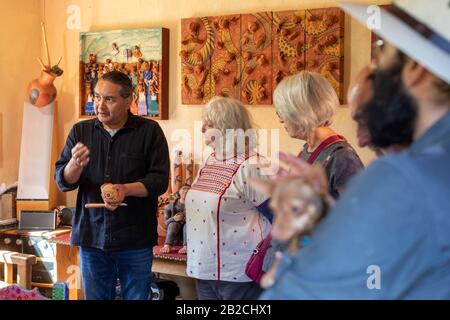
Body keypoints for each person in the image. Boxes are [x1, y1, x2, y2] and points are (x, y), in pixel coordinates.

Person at [261, 0, 450, 299]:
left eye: (378, 60)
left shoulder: (405, 176)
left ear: (416, 68)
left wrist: (298, 246)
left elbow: (295, 292)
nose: (367, 72)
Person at [54, 71, 170, 300]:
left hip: (134, 237)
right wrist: (75, 165)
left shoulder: (149, 131)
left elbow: (159, 180)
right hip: (92, 237)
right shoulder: (81, 131)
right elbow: (62, 181)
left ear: (129, 100)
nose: (100, 105)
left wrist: (125, 189)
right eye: (97, 97)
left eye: (109, 99)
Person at [185, 96, 271, 300]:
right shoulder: (211, 160)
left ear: (227, 128)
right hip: (203, 270)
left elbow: (280, 217)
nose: (202, 129)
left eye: (210, 123)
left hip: (239, 274)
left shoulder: (253, 165)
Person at [274, 71, 364, 199]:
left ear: (300, 113)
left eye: (282, 113)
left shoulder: (342, 158)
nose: (281, 120)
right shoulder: (308, 148)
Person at [161, 184, 190, 254]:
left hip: (188, 232)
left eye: (188, 189)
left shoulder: (194, 206)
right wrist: (173, 218)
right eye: (183, 189)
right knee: (173, 224)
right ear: (179, 192)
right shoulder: (170, 206)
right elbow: (166, 223)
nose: (186, 191)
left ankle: (186, 246)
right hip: (175, 233)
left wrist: (186, 219)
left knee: (187, 225)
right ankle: (167, 245)